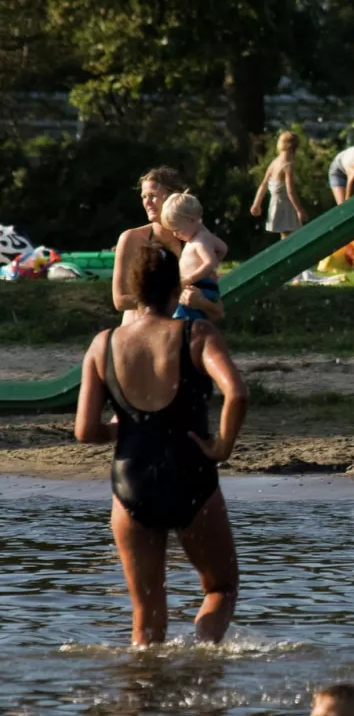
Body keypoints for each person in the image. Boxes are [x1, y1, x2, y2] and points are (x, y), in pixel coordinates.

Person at [73, 244, 246, 646]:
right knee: (220, 588)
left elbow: (84, 431)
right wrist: (222, 446)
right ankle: (203, 661)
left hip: (131, 481)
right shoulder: (196, 333)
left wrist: (121, 430)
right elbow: (236, 394)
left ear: (134, 291)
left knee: (146, 614)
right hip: (190, 477)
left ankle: (143, 695)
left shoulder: (103, 344)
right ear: (176, 289)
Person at [113, 167, 197, 326]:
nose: (147, 202)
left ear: (175, 197)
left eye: (153, 196)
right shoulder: (131, 238)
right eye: (144, 197)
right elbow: (119, 300)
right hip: (137, 332)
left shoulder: (193, 239)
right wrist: (173, 299)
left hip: (179, 332)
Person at [161, 192, 228, 322]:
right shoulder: (203, 236)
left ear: (192, 220)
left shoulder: (200, 240)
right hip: (202, 285)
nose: (175, 234)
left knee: (183, 319)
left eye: (178, 230)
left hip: (199, 288)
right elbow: (223, 249)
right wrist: (208, 272)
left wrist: (189, 279)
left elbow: (210, 263)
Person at [251, 131, 308, 240]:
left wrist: (256, 203)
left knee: (285, 235)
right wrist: (299, 210)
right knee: (290, 236)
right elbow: (290, 191)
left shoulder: (274, 162)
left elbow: (263, 184)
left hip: (275, 204)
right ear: (294, 148)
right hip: (285, 205)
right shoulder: (288, 166)